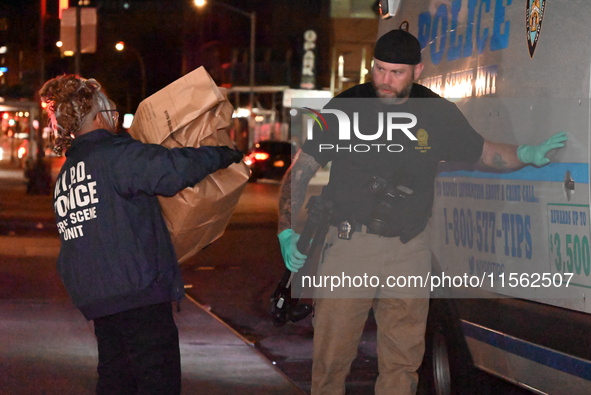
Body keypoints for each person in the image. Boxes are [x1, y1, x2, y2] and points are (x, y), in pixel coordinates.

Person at [277, 29, 567, 395]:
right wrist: (286, 229)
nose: (385, 81)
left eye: (396, 72)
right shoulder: (345, 107)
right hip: (350, 247)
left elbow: (485, 152)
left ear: (418, 70)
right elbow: (299, 172)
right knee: (331, 360)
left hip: (409, 248)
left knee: (403, 363)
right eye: (379, 70)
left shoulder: (437, 113)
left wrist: (525, 154)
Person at [39, 74, 243, 395]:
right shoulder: (116, 154)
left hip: (100, 298)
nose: (114, 109)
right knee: (155, 379)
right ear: (95, 112)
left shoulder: (70, 170)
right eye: (107, 102)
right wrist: (221, 154)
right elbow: (172, 169)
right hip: (136, 292)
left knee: (116, 378)